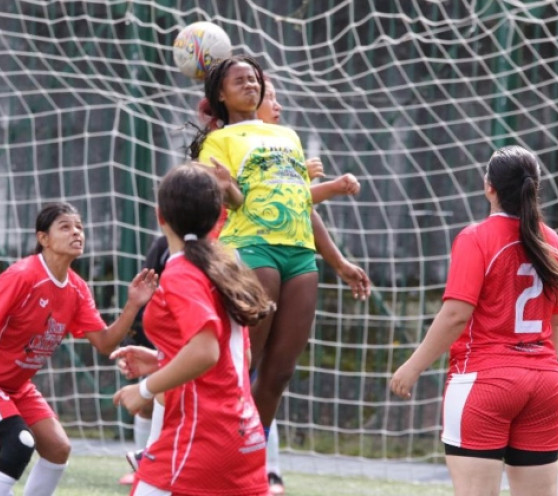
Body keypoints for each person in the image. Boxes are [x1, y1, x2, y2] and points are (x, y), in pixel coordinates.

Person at [389, 146, 558, 496]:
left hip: (485, 383)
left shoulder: (475, 237)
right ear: (535, 188)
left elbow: (455, 315)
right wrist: (535, 368)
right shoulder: (553, 242)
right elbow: (555, 325)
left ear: (489, 186)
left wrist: (412, 367)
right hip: (546, 384)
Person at [189, 56, 369, 448]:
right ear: (220, 93)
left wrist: (338, 262)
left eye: (254, 79)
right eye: (239, 80)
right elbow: (233, 203)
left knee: (280, 372)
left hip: (301, 256)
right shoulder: (218, 141)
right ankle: (207, 445)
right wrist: (226, 187)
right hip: (252, 247)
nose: (250, 84)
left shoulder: (287, 135)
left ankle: (249, 452)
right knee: (242, 363)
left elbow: (301, 200)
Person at [0, 201, 157, 496]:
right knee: (20, 443)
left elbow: (105, 343)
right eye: (66, 227)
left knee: (58, 448)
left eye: (80, 227)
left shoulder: (77, 289)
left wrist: (134, 305)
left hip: (16, 386)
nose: (76, 233)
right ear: (43, 238)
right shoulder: (24, 275)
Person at [112, 163, 275, 496]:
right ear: (217, 215)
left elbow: (205, 351)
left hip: (201, 436)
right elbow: (236, 357)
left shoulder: (182, 272)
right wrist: (162, 360)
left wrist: (143, 390)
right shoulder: (225, 266)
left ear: (161, 216)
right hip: (244, 435)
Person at [118, 235, 169, 486]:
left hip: (196, 352)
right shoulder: (163, 247)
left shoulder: (230, 251)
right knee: (159, 396)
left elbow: (205, 352)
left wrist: (145, 388)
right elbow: (145, 292)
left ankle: (271, 471)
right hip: (171, 346)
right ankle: (146, 462)